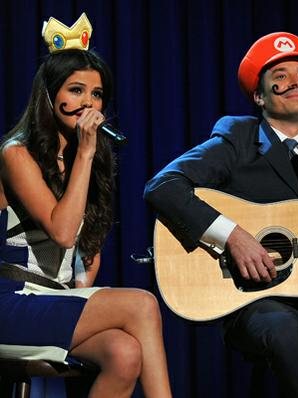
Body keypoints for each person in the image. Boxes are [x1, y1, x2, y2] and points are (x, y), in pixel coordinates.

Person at [144, 31, 298, 397]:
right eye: (282, 76)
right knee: (285, 333)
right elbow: (163, 187)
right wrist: (234, 236)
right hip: (257, 301)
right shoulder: (237, 138)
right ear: (259, 95)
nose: (297, 82)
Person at [0, 13, 172, 398]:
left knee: (125, 353)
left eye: (96, 95)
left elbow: (86, 245)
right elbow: (62, 232)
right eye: (76, 90)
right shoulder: (16, 154)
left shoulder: (86, 160)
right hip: (10, 300)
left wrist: (83, 295)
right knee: (142, 304)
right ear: (49, 94)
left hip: (55, 300)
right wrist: (86, 155)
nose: (88, 102)